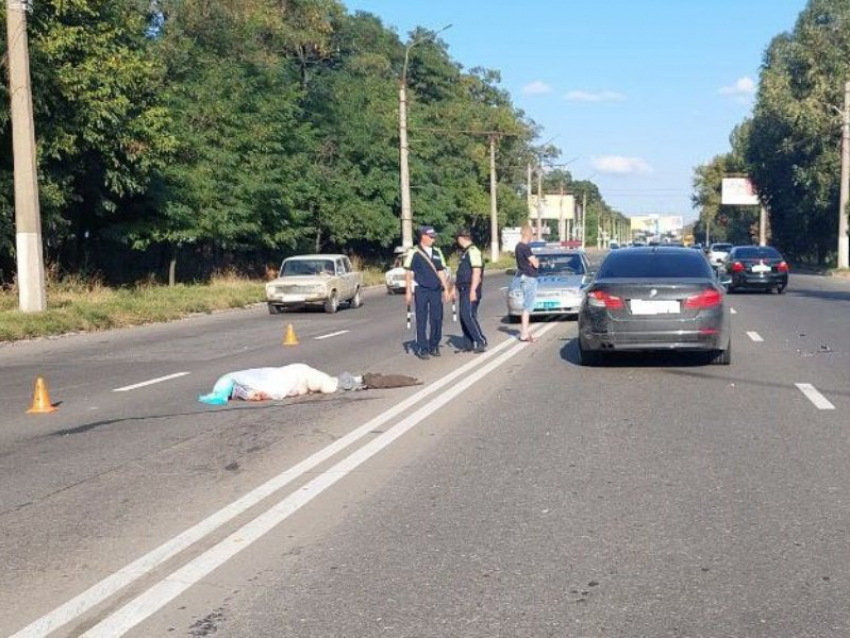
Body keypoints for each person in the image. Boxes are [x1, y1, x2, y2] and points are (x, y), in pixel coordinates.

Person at [404, 225, 449, 359]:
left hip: (435, 289)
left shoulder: (437, 252)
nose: (433, 239)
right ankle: (422, 348)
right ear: (423, 236)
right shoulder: (414, 252)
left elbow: (441, 271)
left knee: (437, 318)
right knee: (421, 319)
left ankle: (434, 345)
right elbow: (408, 272)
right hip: (421, 289)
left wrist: (446, 289)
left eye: (433, 236)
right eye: (430, 237)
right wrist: (408, 291)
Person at [452, 228, 487, 353]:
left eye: (458, 238)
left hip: (470, 288)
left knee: (469, 315)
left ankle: (480, 340)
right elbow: (462, 273)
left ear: (461, 238)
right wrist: (454, 288)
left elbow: (476, 272)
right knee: (464, 316)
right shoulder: (465, 252)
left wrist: (473, 290)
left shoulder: (473, 251)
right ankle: (468, 343)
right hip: (463, 288)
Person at [513, 225, 540, 342]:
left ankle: (526, 332)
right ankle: (524, 333)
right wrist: (535, 261)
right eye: (532, 234)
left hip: (523, 276)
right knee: (528, 307)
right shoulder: (525, 247)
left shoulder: (518, 247)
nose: (532, 237)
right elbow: (536, 264)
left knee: (527, 306)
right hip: (529, 277)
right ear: (528, 234)